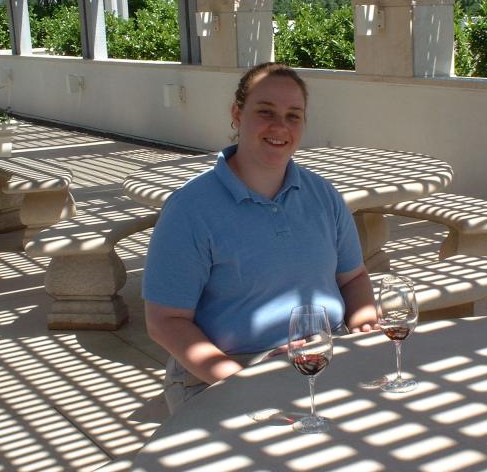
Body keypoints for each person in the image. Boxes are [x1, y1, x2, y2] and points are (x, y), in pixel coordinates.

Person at [142, 62, 377, 413]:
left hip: (325, 356)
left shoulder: (323, 195)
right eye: (265, 111)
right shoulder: (190, 209)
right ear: (237, 114)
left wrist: (363, 324)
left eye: (293, 115)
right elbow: (165, 322)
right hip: (227, 371)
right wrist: (243, 380)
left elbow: (353, 278)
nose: (280, 126)